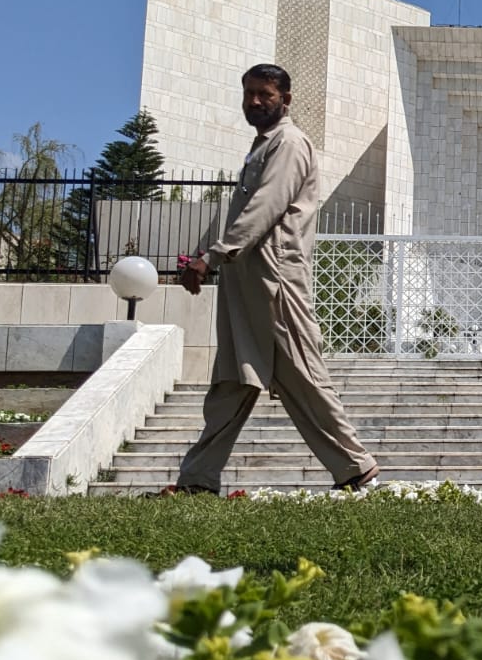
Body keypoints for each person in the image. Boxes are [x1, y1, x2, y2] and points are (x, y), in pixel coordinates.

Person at [160, 63, 379, 496]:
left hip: (274, 280)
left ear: (286, 99)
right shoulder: (259, 148)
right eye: (249, 94)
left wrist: (216, 256)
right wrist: (206, 256)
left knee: (302, 373)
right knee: (231, 380)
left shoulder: (290, 144)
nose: (255, 102)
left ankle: (358, 469)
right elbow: (238, 213)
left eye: (265, 94)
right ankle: (198, 481)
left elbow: (267, 206)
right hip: (245, 282)